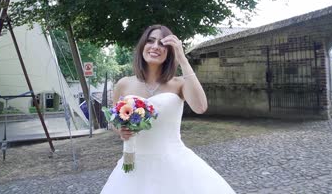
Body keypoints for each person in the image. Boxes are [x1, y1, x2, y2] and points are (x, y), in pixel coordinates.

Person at [101, 25, 235, 194]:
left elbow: (200, 107)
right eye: (150, 41)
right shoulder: (124, 84)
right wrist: (121, 130)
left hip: (174, 163)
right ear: (142, 46)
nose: (155, 46)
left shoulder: (179, 83)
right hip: (134, 165)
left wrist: (183, 59)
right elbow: (114, 121)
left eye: (162, 44)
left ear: (170, 51)